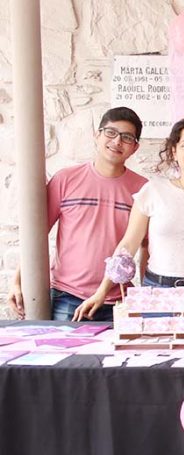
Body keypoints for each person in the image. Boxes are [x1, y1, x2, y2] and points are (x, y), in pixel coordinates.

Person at [72, 117, 184, 320]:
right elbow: (128, 245)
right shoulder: (153, 190)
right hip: (158, 294)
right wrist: (102, 291)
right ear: (174, 151)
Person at [8, 107, 147, 321]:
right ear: (97, 135)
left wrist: (146, 295)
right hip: (67, 297)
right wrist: (17, 280)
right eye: (110, 132)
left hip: (118, 300)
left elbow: (146, 246)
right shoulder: (65, 180)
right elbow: (37, 235)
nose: (117, 141)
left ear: (135, 147)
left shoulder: (143, 189)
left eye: (127, 137)